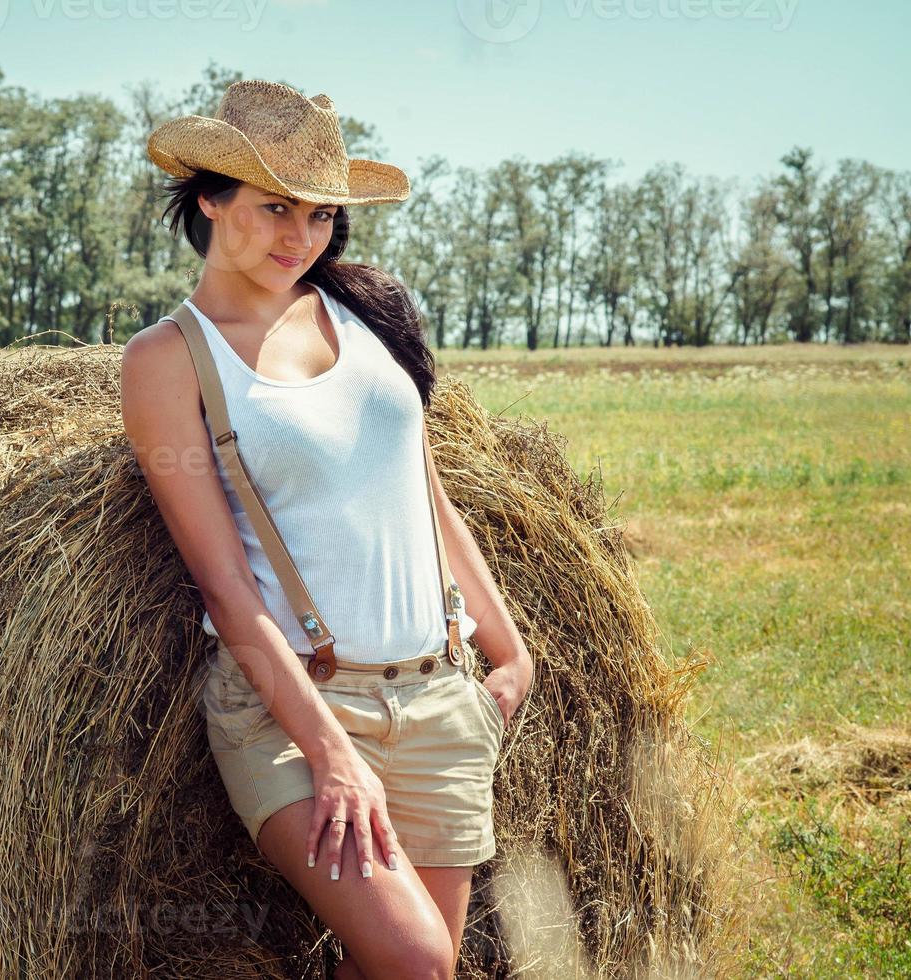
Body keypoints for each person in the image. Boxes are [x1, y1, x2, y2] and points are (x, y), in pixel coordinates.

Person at [120, 79, 534, 979]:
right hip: (296, 707)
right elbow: (225, 588)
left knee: (406, 973)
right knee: (418, 961)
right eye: (275, 209)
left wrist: (510, 655)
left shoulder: (369, 314)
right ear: (208, 200)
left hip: (437, 700)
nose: (299, 238)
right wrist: (330, 751)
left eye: (318, 216)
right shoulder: (168, 358)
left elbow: (427, 496)